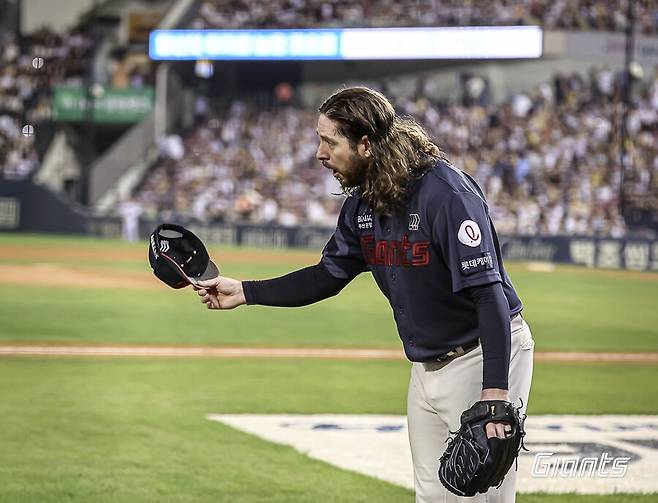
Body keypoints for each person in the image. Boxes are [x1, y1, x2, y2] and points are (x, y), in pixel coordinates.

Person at [195, 87, 534, 503]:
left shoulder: (446, 195)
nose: (320, 153)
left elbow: (489, 295)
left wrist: (496, 394)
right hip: (427, 365)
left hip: (484, 353)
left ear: (366, 144)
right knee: (432, 496)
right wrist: (245, 291)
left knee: (482, 499)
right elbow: (326, 277)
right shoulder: (363, 205)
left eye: (329, 141)